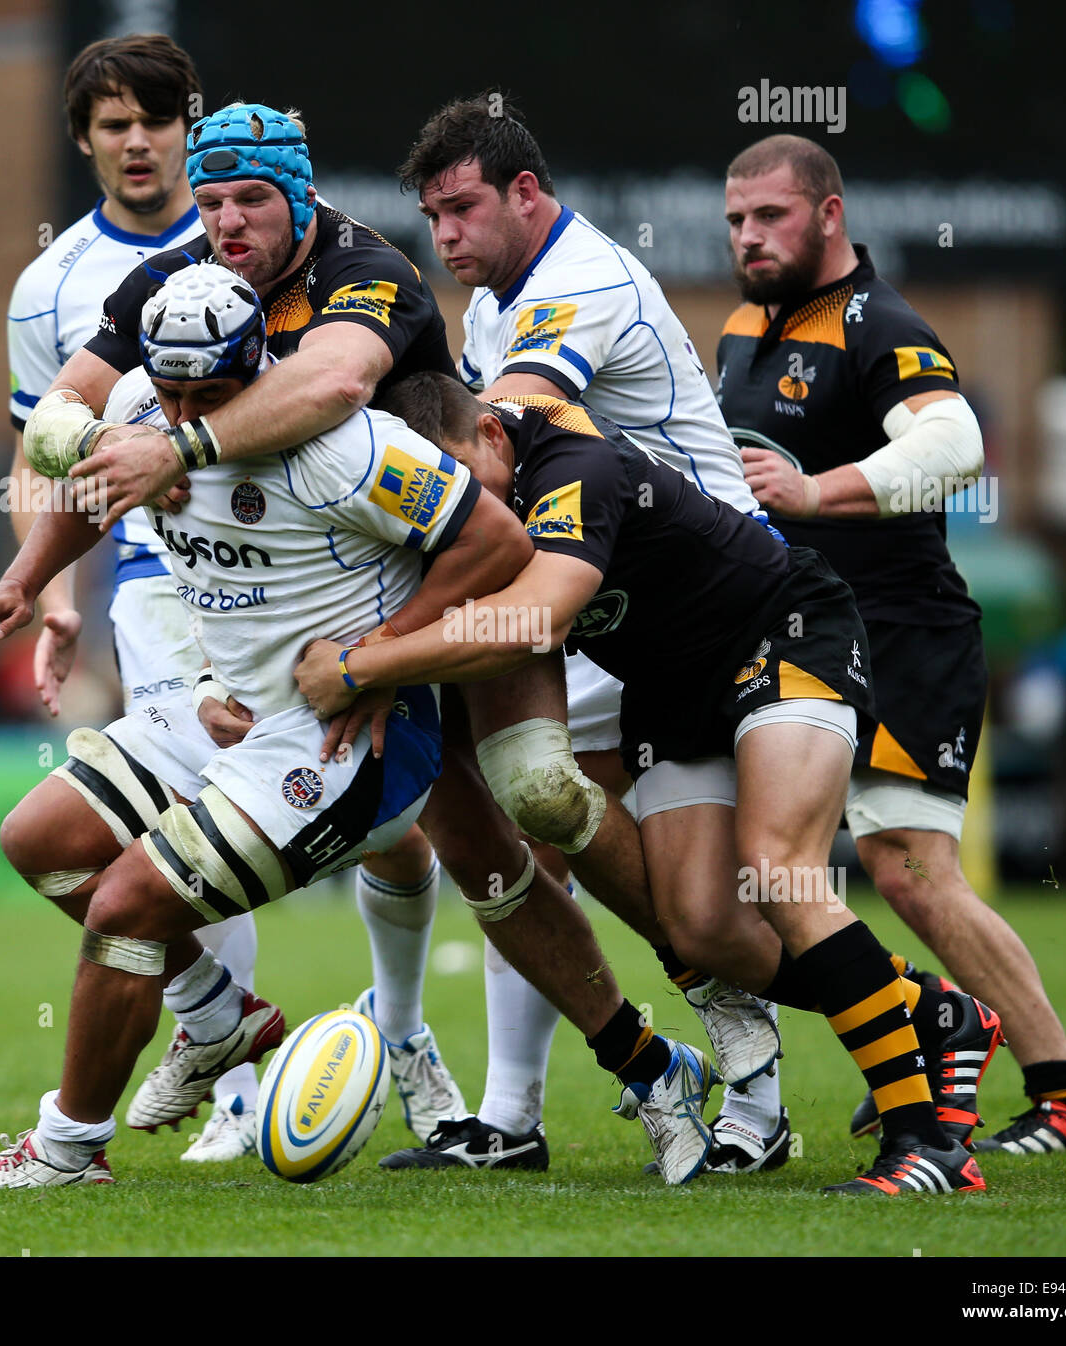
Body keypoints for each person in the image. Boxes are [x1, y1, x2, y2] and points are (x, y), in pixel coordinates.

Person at [297, 372, 1006, 1196]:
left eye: (466, 480)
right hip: (672, 690)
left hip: (780, 630)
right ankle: (934, 1014)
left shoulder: (573, 468)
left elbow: (539, 617)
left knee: (777, 868)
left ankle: (926, 1148)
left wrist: (362, 665)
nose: (460, 507)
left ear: (491, 434)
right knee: (704, 931)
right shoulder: (458, 492)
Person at [25, 98, 480, 1148]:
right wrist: (38, 563)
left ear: (302, 196)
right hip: (253, 623)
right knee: (55, 845)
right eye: (213, 201)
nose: (227, 221)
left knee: (508, 832)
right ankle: (219, 1020)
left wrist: (380, 656)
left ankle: (484, 1063)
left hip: (420, 590)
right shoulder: (170, 295)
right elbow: (61, 421)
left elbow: (337, 383)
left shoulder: (366, 286)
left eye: (252, 199)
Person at [382, 94, 785, 1174]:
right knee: (525, 821)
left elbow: (494, 440)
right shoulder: (493, 300)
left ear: (526, 192)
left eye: (463, 209)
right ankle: (512, 1114)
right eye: (433, 217)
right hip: (602, 592)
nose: (446, 236)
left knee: (681, 877)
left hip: (697, 600)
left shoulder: (580, 282)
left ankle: (761, 1086)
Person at [716, 133, 1066, 1157]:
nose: (749, 236)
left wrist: (816, 491)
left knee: (908, 869)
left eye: (771, 215)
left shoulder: (879, 323)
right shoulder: (744, 326)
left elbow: (955, 444)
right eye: (736, 220)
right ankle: (913, 1026)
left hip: (900, 636)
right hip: (795, 637)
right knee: (744, 875)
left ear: (830, 213)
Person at [5, 35, 267, 1162]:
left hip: (278, 567)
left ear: (187, 130)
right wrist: (50, 592)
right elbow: (38, 451)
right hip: (156, 582)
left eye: (157, 120)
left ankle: (406, 1047)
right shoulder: (51, 284)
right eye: (115, 124)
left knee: (404, 846)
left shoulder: (243, 236)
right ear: (85, 140)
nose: (139, 141)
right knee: (194, 812)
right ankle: (238, 1080)